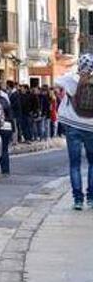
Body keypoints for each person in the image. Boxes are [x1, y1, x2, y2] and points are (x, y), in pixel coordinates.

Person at [55, 54, 93, 210]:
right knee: (92, 163)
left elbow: (57, 81)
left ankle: (78, 200)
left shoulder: (72, 79)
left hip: (73, 126)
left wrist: (74, 73)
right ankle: (91, 198)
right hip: (91, 128)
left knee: (75, 165)